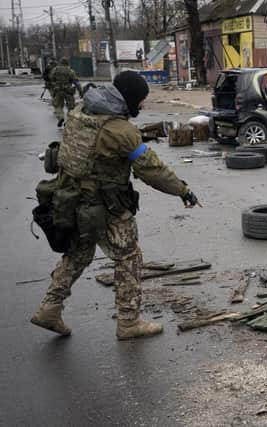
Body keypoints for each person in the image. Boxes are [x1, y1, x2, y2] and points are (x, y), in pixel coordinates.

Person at [31, 71, 201, 340]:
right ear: (129, 99)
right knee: (129, 257)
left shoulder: (80, 111)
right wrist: (183, 190)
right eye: (141, 101)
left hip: (70, 201)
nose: (142, 106)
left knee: (77, 255)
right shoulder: (120, 131)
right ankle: (129, 322)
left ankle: (49, 309)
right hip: (106, 207)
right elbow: (151, 169)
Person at [49, 57, 82, 127]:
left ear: (60, 63)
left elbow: (51, 78)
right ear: (67, 63)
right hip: (68, 91)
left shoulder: (55, 70)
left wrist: (54, 85)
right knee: (71, 107)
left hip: (58, 90)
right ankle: (68, 121)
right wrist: (81, 91)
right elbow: (76, 82)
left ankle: (61, 117)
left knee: (58, 106)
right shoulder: (70, 71)